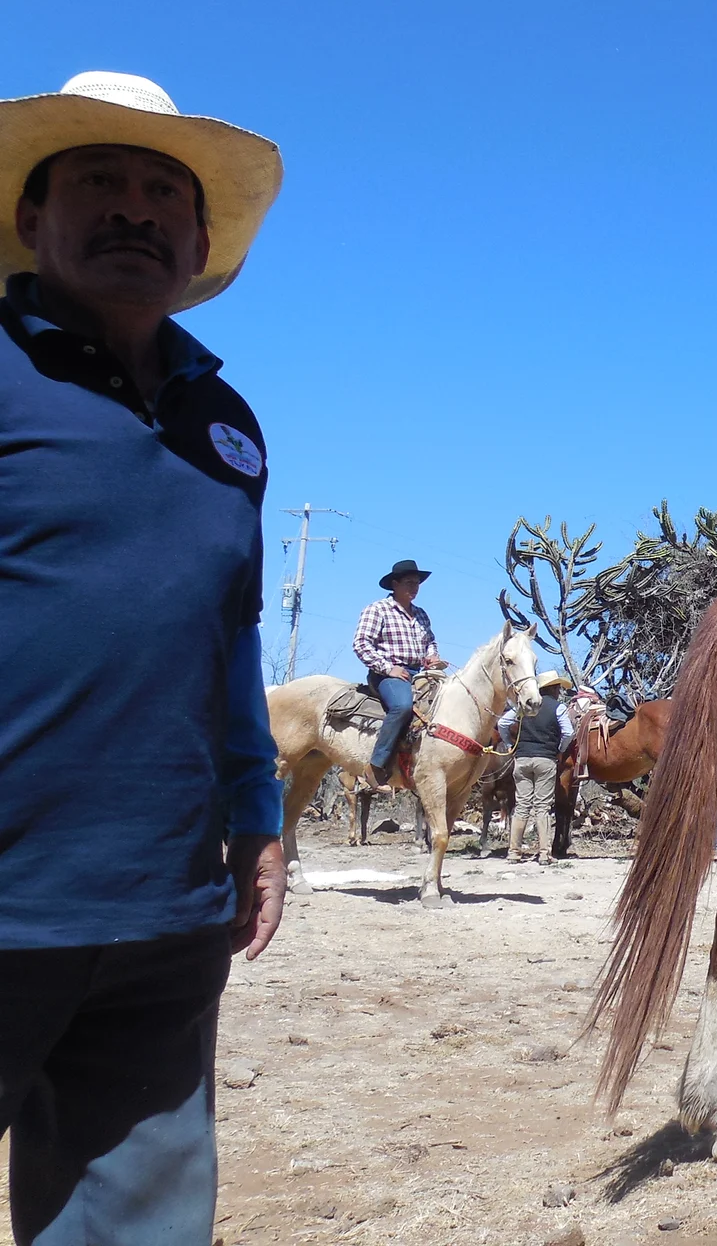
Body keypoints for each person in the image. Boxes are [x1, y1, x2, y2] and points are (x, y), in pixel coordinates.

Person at [0, 71, 286, 1241]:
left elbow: (231, 629)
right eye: (99, 182)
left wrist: (259, 810)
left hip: (166, 906)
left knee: (142, 1225)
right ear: (30, 219)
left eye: (162, 192)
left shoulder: (228, 421)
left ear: (201, 236)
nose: (134, 208)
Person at [352, 559, 448, 785]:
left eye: (417, 583)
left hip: (420, 673)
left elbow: (430, 642)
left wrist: (432, 656)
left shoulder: (422, 614)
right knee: (402, 706)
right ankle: (376, 766)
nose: (414, 587)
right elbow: (361, 644)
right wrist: (389, 668)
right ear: (394, 584)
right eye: (408, 583)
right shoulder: (377, 610)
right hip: (387, 674)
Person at [495, 671, 575, 864]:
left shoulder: (523, 706)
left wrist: (509, 744)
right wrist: (559, 749)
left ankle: (514, 852)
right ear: (553, 689)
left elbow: (503, 723)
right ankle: (544, 853)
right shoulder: (558, 708)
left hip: (522, 759)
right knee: (542, 807)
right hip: (545, 760)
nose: (559, 691)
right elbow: (568, 733)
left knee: (522, 805)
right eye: (557, 688)